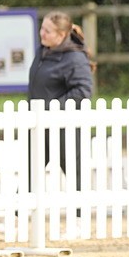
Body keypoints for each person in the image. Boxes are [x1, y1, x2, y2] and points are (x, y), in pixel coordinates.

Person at [28, 11, 94, 190]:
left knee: (74, 175)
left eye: (47, 31)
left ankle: (81, 213)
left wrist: (53, 107)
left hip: (65, 127)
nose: (42, 33)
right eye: (42, 28)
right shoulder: (42, 51)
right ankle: (19, 211)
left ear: (62, 34)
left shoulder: (74, 57)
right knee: (31, 171)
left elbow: (83, 90)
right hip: (40, 124)